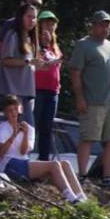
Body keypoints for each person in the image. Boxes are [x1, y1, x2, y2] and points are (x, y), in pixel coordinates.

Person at [0, 94, 85, 203]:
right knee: (54, 165)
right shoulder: (0, 129)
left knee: (66, 163)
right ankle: (71, 198)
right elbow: (0, 153)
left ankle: (82, 198)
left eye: (15, 109)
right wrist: (13, 136)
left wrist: (24, 134)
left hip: (23, 162)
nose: (14, 113)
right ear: (5, 113)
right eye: (10, 111)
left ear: (20, 109)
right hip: (8, 164)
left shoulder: (28, 128)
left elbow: (23, 152)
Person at [70, 11, 110, 187]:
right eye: (102, 24)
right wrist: (80, 98)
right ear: (93, 25)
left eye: (108, 24)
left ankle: (107, 178)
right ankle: (83, 176)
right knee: (88, 138)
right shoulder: (84, 45)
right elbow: (76, 72)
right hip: (92, 100)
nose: (106, 28)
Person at [0, 2, 38, 128]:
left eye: (34, 17)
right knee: (14, 131)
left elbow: (30, 64)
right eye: (29, 16)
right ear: (21, 17)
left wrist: (43, 65)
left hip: (27, 91)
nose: (32, 20)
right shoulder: (13, 35)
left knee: (28, 132)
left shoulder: (30, 39)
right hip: (13, 92)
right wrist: (27, 62)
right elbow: (5, 60)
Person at [33, 11, 63, 161]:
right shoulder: (33, 44)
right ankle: (25, 159)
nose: (50, 27)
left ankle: (44, 160)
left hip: (52, 91)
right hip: (37, 90)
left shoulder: (55, 47)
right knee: (34, 125)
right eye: (46, 23)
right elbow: (34, 63)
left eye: (52, 24)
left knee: (47, 128)